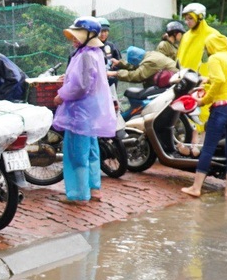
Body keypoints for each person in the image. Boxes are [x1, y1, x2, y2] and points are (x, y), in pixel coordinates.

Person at [52, 17, 116, 203]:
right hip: (90, 112)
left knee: (76, 154)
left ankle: (79, 195)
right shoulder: (93, 52)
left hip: (79, 113)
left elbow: (81, 86)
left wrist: (61, 95)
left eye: (77, 35)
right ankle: (94, 188)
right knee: (91, 151)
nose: (73, 38)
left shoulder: (85, 55)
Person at [181, 33, 227, 198]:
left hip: (224, 109)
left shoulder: (215, 58)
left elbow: (219, 80)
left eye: (206, 48)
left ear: (211, 47)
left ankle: (196, 188)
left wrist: (204, 101)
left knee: (208, 148)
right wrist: (207, 79)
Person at [177, 3, 220, 135]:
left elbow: (220, 58)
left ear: (200, 17)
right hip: (187, 81)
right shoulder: (186, 36)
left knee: (205, 116)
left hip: (205, 83)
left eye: (190, 18)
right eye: (186, 18)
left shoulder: (213, 35)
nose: (187, 22)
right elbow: (180, 57)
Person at [107, 45, 177, 88]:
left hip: (174, 83)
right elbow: (138, 66)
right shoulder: (150, 55)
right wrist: (120, 63)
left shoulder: (150, 61)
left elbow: (137, 75)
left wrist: (116, 73)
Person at [98, 18, 122, 88]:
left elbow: (119, 63)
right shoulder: (92, 47)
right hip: (97, 83)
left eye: (105, 31)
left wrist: (113, 74)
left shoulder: (111, 46)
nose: (103, 34)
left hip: (111, 82)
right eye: (101, 32)